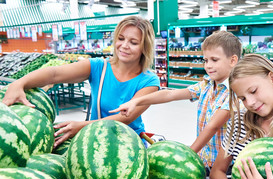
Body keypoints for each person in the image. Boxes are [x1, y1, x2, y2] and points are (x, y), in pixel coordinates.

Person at [2, 16, 160, 147]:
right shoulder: (99, 67)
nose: (124, 46)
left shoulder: (149, 81)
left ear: (144, 47)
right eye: (121, 38)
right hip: (94, 139)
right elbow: (54, 74)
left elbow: (125, 117)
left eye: (133, 42)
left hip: (130, 144)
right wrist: (19, 83)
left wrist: (81, 126)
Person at [110, 30, 242, 170]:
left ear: (232, 60)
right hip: (204, 158)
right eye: (205, 60)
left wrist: (188, 155)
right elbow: (170, 94)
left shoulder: (235, 92)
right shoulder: (206, 84)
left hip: (225, 165)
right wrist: (136, 101)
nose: (208, 65)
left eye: (214, 60)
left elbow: (213, 127)